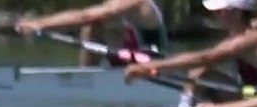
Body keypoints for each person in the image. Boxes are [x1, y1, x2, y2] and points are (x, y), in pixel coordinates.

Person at [123, 0, 257, 107]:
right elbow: (202, 61)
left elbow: (203, 58)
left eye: (220, 11)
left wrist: (150, 67)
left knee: (200, 70)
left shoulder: (249, 40)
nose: (215, 15)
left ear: (237, 12)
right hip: (256, 97)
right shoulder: (239, 36)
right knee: (200, 71)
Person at [16, 0, 168, 67]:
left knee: (93, 20)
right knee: (92, 27)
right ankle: (86, 78)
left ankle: (88, 81)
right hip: (125, 63)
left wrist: (40, 24)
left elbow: (84, 16)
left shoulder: (136, 2)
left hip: (150, 67)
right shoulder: (112, 3)